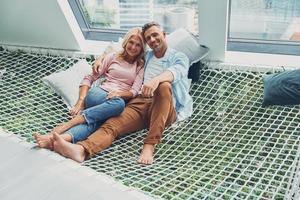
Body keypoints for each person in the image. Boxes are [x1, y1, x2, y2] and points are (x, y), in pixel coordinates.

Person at [51, 21, 193, 165]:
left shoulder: (179, 57)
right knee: (111, 125)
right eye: (148, 38)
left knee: (164, 86)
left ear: (164, 35)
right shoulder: (147, 56)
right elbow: (120, 49)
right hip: (140, 102)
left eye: (155, 35)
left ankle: (149, 145)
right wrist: (100, 59)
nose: (152, 40)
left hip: (166, 107)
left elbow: (176, 72)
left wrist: (156, 80)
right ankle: (81, 150)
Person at [33, 27, 145, 149]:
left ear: (142, 48)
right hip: (99, 94)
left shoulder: (140, 67)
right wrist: (80, 102)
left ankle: (51, 139)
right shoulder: (112, 57)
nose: (133, 47)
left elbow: (133, 92)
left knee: (95, 123)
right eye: (131, 42)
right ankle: (65, 126)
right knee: (119, 105)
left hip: (111, 104)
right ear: (126, 42)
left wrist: (119, 94)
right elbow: (89, 78)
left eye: (138, 45)